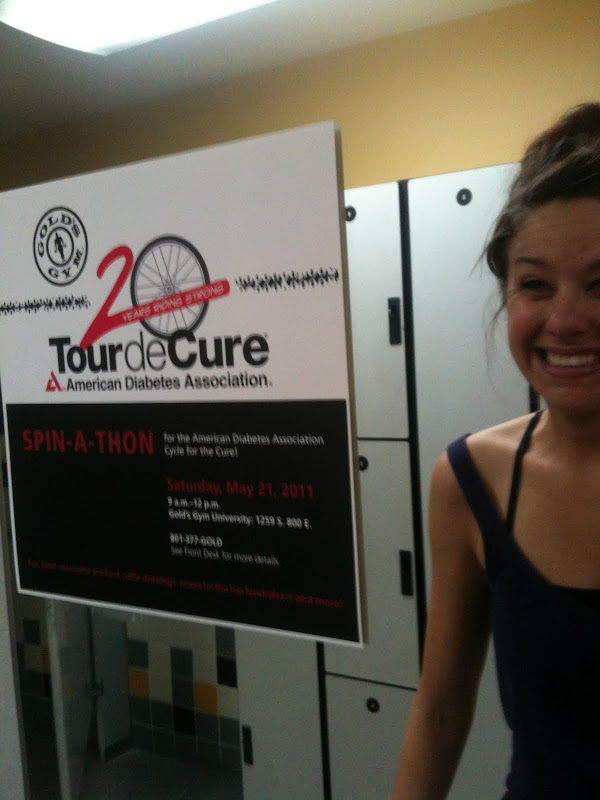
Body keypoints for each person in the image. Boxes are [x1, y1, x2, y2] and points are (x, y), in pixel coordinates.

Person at [391, 102, 600, 800]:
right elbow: (440, 710)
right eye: (534, 284)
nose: (565, 320)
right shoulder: (470, 479)